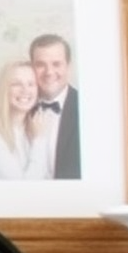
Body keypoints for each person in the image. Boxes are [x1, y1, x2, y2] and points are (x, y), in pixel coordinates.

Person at [0, 59, 51, 181]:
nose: (25, 90)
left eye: (31, 84)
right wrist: (39, 140)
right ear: (3, 90)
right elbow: (22, 189)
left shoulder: (33, 126)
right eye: (16, 84)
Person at [29, 33, 81, 180]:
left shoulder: (87, 109)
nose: (49, 72)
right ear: (31, 66)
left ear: (68, 66)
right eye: (40, 65)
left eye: (56, 64)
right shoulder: (19, 107)